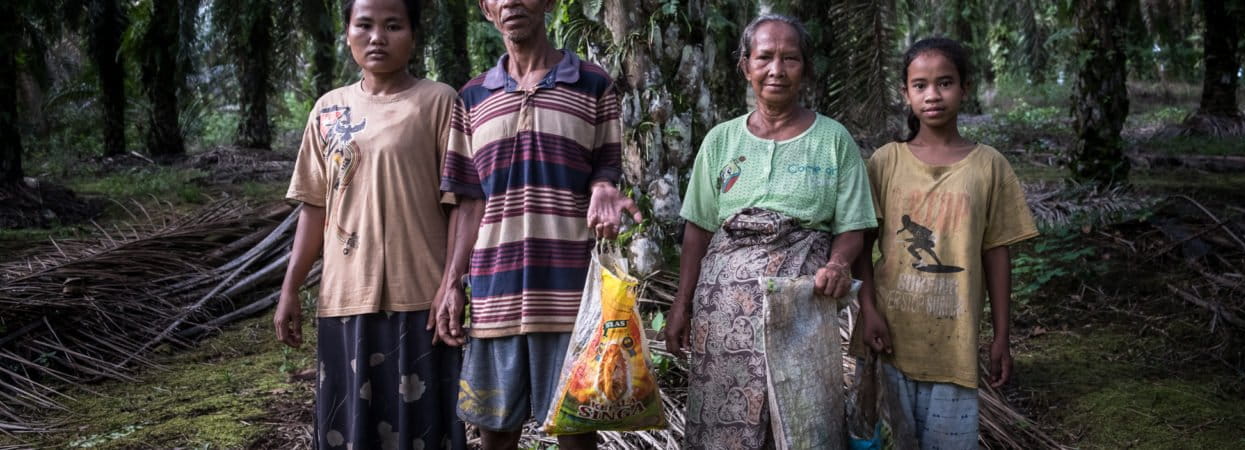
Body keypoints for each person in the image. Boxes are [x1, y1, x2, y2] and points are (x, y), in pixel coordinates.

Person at [430, 0, 640, 449]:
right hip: (493, 294)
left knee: (576, 430)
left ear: (548, 2)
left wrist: (603, 188)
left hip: (568, 294)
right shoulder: (472, 97)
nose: (511, 2)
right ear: (487, 9)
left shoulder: (592, 84)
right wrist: (451, 284)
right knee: (495, 434)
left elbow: (606, 169)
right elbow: (468, 203)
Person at [663, 14, 879, 449]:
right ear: (745, 66)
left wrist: (838, 262)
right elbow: (698, 230)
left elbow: (854, 224)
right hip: (721, 319)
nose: (776, 70)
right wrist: (681, 305)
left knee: (798, 421)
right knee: (724, 421)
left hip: (800, 310)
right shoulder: (720, 141)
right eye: (764, 57)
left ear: (806, 67)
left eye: (790, 58)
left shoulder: (833, 140)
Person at [273, 0, 466, 447]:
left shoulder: (438, 102)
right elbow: (314, 207)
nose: (377, 37)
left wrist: (452, 284)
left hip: (421, 297)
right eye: (365, 25)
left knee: (423, 427)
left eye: (393, 25)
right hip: (344, 296)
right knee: (351, 428)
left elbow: (459, 204)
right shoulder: (328, 110)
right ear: (347, 34)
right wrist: (289, 289)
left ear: (413, 36)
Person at [853, 37, 1040, 449]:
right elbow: (860, 246)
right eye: (919, 85)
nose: (932, 95)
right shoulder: (886, 161)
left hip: (954, 346)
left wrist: (1001, 336)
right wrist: (867, 311)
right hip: (887, 340)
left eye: (945, 83)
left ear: (964, 88)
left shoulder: (989, 165)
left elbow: (996, 252)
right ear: (905, 93)